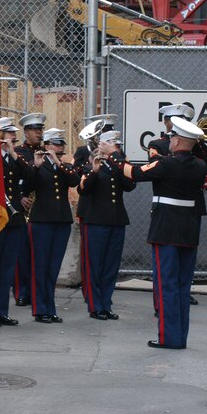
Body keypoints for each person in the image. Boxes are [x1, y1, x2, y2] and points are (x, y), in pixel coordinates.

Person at [99, 116, 207, 349]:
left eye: (172, 138)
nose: (169, 142)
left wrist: (113, 154)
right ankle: (180, 337)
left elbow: (133, 173)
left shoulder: (167, 164)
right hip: (189, 231)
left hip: (166, 230)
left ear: (177, 141)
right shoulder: (200, 165)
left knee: (166, 284)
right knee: (181, 286)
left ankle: (169, 338)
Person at [149, 104, 207, 307]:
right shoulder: (158, 144)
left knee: (185, 261)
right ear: (167, 122)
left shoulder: (194, 145)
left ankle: (181, 294)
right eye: (175, 120)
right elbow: (160, 164)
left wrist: (195, 142)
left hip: (191, 208)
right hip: (168, 208)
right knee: (166, 264)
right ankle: (162, 303)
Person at [77, 131, 135, 320]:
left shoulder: (118, 167)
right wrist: (94, 171)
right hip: (95, 221)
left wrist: (121, 162)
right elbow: (82, 189)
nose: (116, 150)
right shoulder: (91, 166)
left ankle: (106, 303)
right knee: (94, 265)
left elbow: (130, 185)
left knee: (111, 266)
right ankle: (95, 306)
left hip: (116, 220)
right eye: (113, 146)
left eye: (117, 147)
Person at [0, 117, 32, 327]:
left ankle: (1, 311)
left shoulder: (14, 158)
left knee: (7, 269)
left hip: (14, 219)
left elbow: (31, 175)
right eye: (9, 132)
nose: (13, 136)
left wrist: (13, 153)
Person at [27, 128, 80, 323]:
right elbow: (26, 186)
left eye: (61, 144)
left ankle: (50, 307)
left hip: (61, 220)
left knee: (53, 266)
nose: (60, 147)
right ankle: (40, 309)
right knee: (40, 266)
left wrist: (58, 162)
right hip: (42, 221)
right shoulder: (37, 164)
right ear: (47, 145)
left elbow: (74, 181)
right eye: (56, 144)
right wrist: (36, 167)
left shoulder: (63, 165)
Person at [75, 114, 117, 309]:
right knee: (92, 260)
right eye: (103, 133)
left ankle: (104, 300)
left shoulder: (118, 157)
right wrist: (93, 167)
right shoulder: (84, 151)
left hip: (112, 214)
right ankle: (92, 299)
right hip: (91, 210)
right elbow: (79, 181)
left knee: (109, 263)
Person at [13, 112, 45, 307]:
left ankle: (35, 291)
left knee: (38, 254)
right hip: (24, 206)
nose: (38, 133)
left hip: (40, 207)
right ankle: (21, 292)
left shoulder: (46, 151)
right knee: (22, 253)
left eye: (40, 129)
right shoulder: (19, 152)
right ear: (26, 132)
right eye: (34, 130)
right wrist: (19, 197)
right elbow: (11, 179)